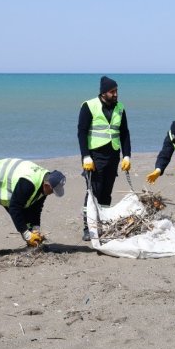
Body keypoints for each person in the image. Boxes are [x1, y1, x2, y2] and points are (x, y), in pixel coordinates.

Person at [0, 158, 66, 266]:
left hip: (5, 190)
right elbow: (15, 208)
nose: (52, 193)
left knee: (25, 217)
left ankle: (33, 245)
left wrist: (35, 228)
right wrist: (26, 234)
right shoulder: (29, 182)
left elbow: (36, 208)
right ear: (46, 185)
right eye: (52, 191)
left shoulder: (44, 183)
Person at [78, 76, 132, 241]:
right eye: (112, 91)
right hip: (95, 156)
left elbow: (124, 133)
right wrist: (86, 156)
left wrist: (127, 155)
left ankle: (102, 223)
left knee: (106, 193)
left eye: (116, 91)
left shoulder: (120, 108)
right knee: (93, 192)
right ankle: (88, 227)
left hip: (113, 155)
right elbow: (82, 132)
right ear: (103, 93)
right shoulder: (89, 106)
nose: (115, 94)